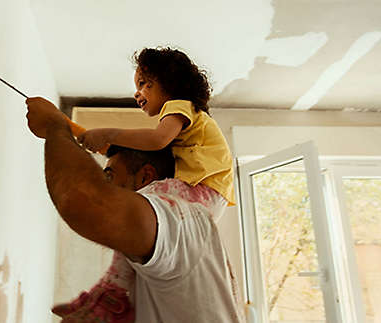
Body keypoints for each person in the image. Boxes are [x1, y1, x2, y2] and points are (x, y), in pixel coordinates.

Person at [25, 96, 244, 322]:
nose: (105, 186)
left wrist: (55, 128)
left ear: (146, 176)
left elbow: (83, 202)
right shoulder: (164, 242)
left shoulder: (180, 220)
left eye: (109, 176)